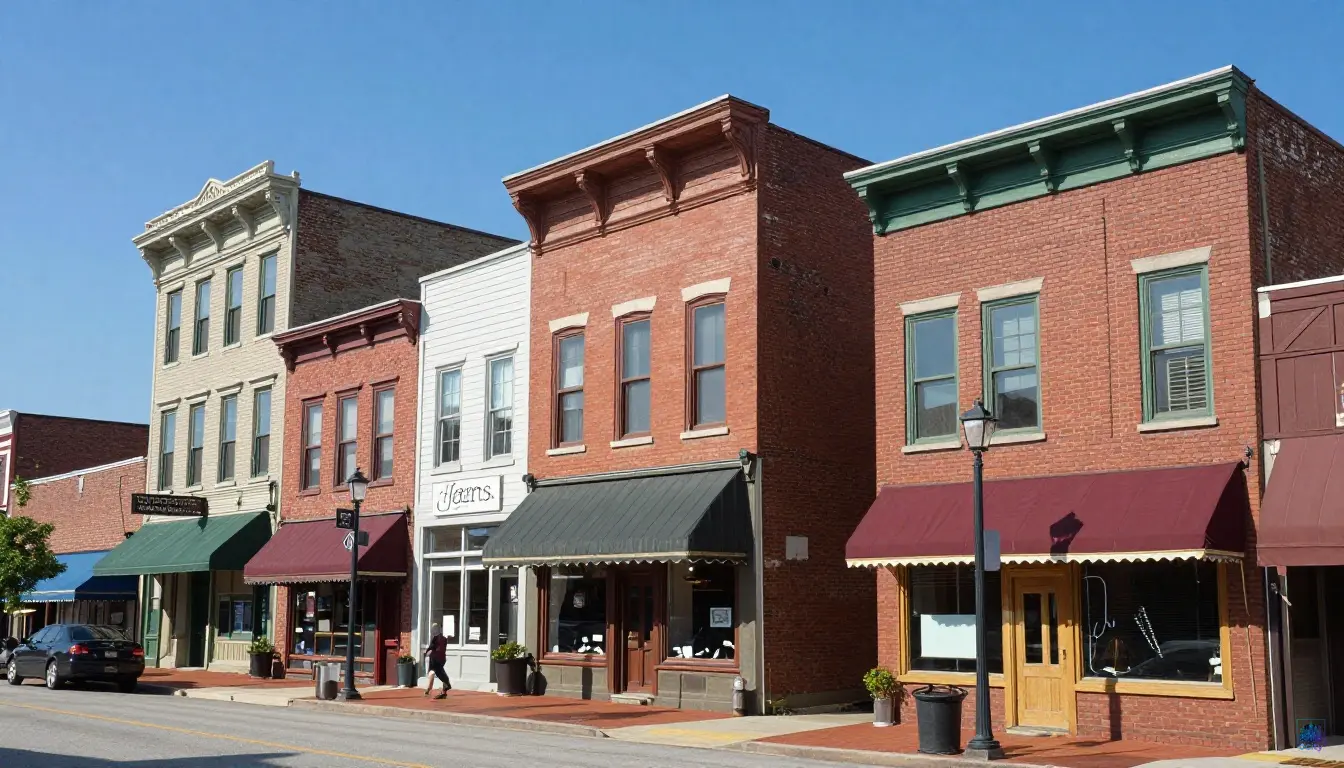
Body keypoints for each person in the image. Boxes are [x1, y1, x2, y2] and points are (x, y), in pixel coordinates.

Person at [423, 623, 451, 699]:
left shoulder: (436, 637)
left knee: (435, 672)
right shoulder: (445, 638)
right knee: (440, 672)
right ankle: (444, 691)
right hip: (442, 658)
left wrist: (426, 653)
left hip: (435, 658)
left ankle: (446, 686)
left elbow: (431, 647)